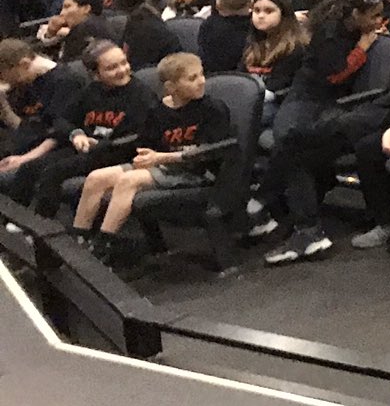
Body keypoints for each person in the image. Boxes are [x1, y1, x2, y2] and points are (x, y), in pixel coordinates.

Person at [66, 51, 232, 262]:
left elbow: (209, 151)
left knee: (129, 180)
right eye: (192, 78)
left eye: (201, 75)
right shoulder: (158, 110)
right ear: (171, 87)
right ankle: (79, 241)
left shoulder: (212, 109)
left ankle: (103, 246)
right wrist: (144, 156)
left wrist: (159, 158)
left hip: (195, 171)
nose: (202, 82)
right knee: (96, 178)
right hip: (162, 166)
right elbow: (145, 142)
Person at [1, 41, 154, 217]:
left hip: (115, 151)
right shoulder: (91, 91)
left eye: (124, 63)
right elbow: (63, 121)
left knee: (53, 172)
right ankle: (13, 220)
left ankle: (42, 223)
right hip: (84, 149)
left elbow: (137, 135)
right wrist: (76, 134)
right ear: (95, 74)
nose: (122, 70)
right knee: (31, 167)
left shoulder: (140, 94)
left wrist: (100, 145)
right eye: (112, 68)